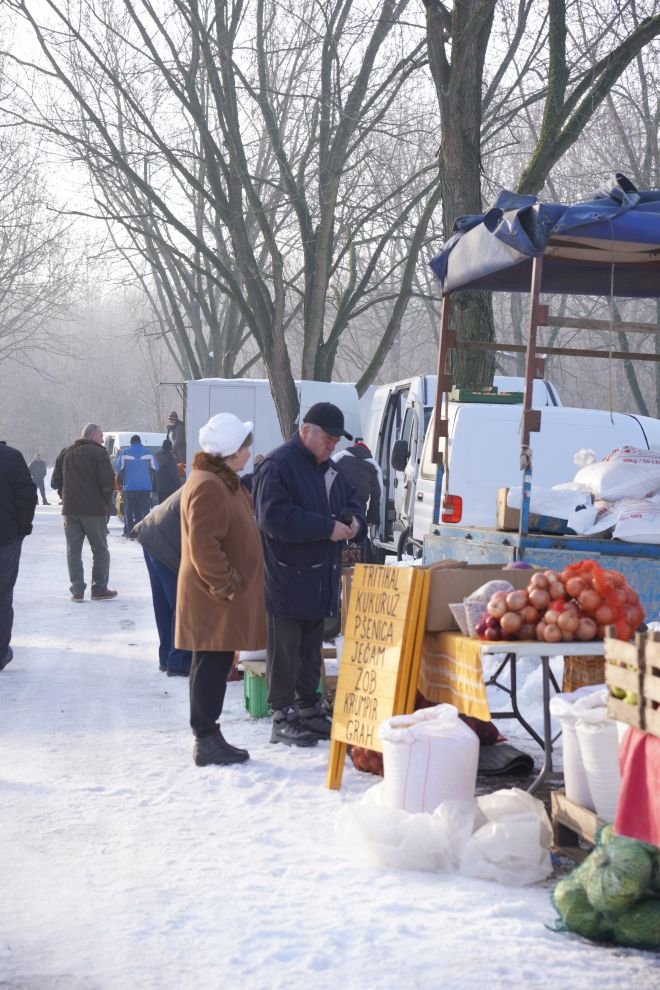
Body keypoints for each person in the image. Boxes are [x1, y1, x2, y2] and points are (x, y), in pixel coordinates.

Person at [253, 401, 365, 747]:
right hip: (287, 575)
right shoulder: (278, 465)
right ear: (306, 431)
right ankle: (282, 714)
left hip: (320, 576)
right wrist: (325, 528)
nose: (332, 446)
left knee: (309, 646)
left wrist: (354, 522)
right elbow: (273, 518)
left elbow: (352, 501)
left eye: (335, 441)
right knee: (285, 648)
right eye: (327, 439)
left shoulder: (328, 469)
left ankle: (309, 708)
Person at [176, 412, 266, 767]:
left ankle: (208, 735)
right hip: (213, 597)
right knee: (210, 666)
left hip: (214, 597)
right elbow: (204, 545)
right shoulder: (210, 485)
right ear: (232, 451)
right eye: (245, 445)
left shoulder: (217, 480)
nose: (249, 452)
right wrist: (227, 584)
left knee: (210, 665)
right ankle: (206, 738)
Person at [51, 424, 117, 602]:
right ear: (93, 435)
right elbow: (108, 481)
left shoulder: (65, 452)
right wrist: (105, 502)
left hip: (70, 510)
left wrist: (65, 496)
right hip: (93, 510)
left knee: (73, 551)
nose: (103, 439)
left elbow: (55, 481)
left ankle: (77, 591)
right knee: (100, 550)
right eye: (101, 435)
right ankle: (99, 589)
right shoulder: (99, 453)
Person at [133, 489, 192, 677]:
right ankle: (178, 661)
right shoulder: (216, 492)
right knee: (183, 604)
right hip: (164, 542)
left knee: (165, 604)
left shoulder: (207, 482)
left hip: (152, 533)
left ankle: (167, 658)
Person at [0, 440, 38, 669]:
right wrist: (22, 528)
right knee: (3, 595)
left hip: (8, 535)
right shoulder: (11, 457)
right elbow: (27, 495)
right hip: (6, 538)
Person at [331, 440, 383, 561]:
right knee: (359, 535)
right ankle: (357, 564)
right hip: (359, 508)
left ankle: (339, 563)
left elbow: (325, 473)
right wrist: (372, 517)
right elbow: (378, 494)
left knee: (339, 534)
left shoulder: (340, 456)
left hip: (339, 504)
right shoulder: (373, 465)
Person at [115, 434, 158, 536]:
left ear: (131, 443)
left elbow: (118, 467)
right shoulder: (148, 453)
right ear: (140, 442)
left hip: (129, 487)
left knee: (129, 510)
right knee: (145, 510)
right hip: (145, 487)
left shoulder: (125, 453)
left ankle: (131, 532)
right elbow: (156, 467)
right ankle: (145, 532)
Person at [154, 438, 182, 503]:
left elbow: (153, 472)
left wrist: (154, 487)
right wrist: (180, 487)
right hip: (170, 489)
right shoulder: (170, 458)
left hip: (160, 488)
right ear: (170, 448)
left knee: (161, 509)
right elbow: (174, 474)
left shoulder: (156, 456)